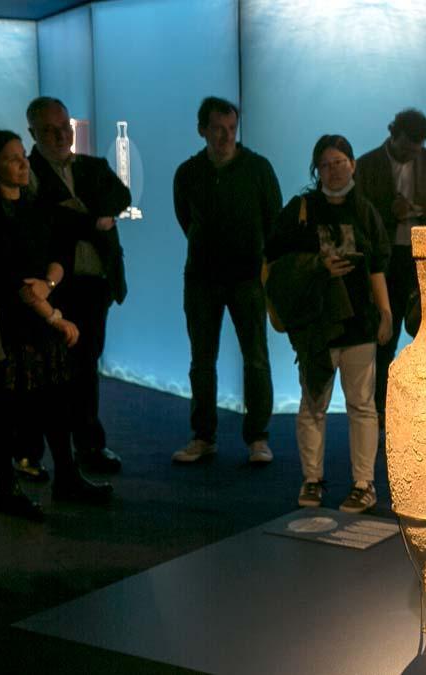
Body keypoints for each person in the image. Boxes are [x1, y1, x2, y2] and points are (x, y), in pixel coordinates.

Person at [0, 129, 114, 516]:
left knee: (55, 400)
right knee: (6, 405)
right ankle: (7, 488)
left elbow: (57, 255)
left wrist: (49, 285)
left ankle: (66, 476)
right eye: (13, 158)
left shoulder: (35, 206)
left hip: (40, 317)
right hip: (11, 324)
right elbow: (7, 278)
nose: (23, 163)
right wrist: (53, 314)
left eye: (22, 156)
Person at [266, 135, 392, 513]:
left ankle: (364, 485)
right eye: (325, 164)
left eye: (339, 162)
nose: (333, 170)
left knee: (362, 405)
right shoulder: (300, 210)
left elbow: (378, 266)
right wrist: (282, 304)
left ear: (353, 164)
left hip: (358, 322)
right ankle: (312, 479)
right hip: (315, 325)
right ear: (315, 169)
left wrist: (384, 312)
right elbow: (272, 261)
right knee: (313, 404)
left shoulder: (366, 210)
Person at [24, 96, 130, 477]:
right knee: (49, 373)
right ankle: (34, 452)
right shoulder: (29, 171)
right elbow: (48, 222)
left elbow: (121, 196)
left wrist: (77, 211)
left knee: (85, 368)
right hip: (53, 289)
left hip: (95, 284)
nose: (60, 135)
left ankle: (88, 445)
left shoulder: (92, 166)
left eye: (64, 127)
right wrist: (91, 220)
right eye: (50, 130)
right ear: (33, 132)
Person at [171, 97, 280, 465]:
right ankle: (203, 436)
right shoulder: (187, 173)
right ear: (202, 129)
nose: (225, 136)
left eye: (231, 128)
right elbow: (186, 219)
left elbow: (273, 219)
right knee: (201, 360)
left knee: (256, 359)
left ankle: (258, 437)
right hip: (201, 277)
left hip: (248, 277)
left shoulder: (258, 169)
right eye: (218, 128)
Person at [354, 109, 426, 421]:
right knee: (385, 336)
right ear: (393, 135)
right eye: (408, 147)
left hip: (425, 259)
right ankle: (380, 411)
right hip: (385, 260)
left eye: (417, 148)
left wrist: (417, 212)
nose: (412, 153)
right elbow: (360, 218)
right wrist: (391, 211)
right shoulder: (366, 165)